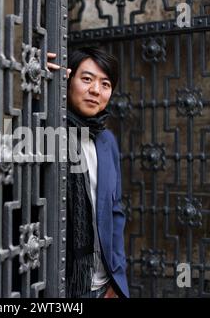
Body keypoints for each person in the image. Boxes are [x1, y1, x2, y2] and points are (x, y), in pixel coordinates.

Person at [47, 47, 129, 298]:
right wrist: (34, 81)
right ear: (67, 80)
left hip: (102, 284)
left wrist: (117, 278)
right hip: (54, 284)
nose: (96, 90)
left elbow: (115, 211)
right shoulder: (42, 131)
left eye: (105, 84)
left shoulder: (106, 141)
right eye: (87, 79)